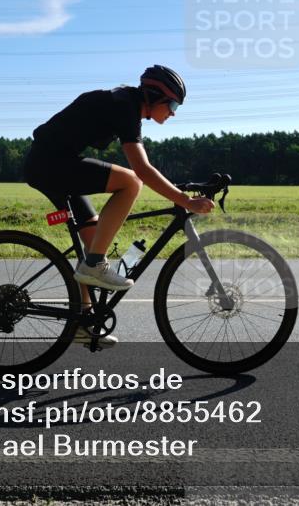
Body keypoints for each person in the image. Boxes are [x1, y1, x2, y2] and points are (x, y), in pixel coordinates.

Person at [23, 65, 215, 349]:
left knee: (93, 239)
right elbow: (143, 169)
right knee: (131, 182)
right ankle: (95, 265)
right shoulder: (125, 106)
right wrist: (184, 201)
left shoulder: (126, 103)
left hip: (51, 163)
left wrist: (181, 193)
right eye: (173, 104)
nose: (174, 112)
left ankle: (81, 322)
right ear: (153, 95)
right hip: (51, 164)